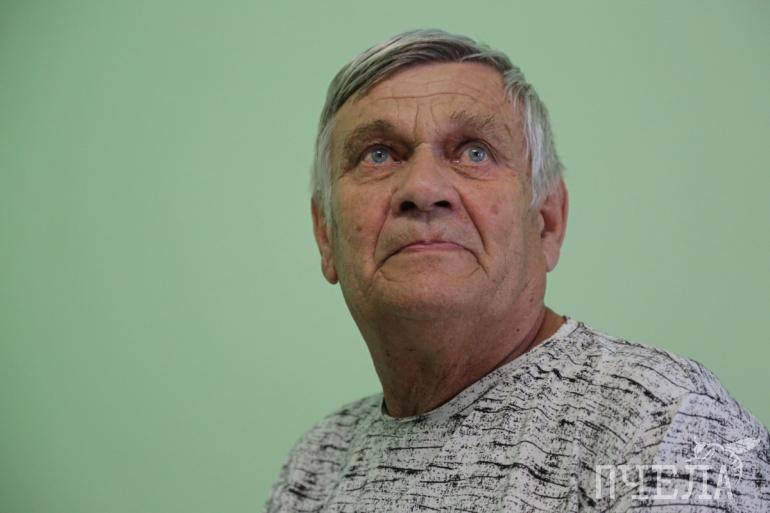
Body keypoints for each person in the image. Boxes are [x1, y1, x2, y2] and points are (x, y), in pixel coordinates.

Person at [263, 29, 769, 512]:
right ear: (325, 235)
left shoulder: (665, 421)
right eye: (378, 155)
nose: (422, 189)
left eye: (474, 152)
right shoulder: (318, 463)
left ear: (547, 221)